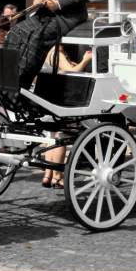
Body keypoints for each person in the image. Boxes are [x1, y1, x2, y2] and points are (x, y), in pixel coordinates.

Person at [39, 45, 92, 188]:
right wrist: (85, 60)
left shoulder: (47, 50)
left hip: (46, 96)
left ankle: (48, 175)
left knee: (51, 138)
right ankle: (57, 176)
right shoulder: (56, 51)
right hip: (57, 98)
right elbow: (72, 71)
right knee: (60, 137)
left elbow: (61, 69)